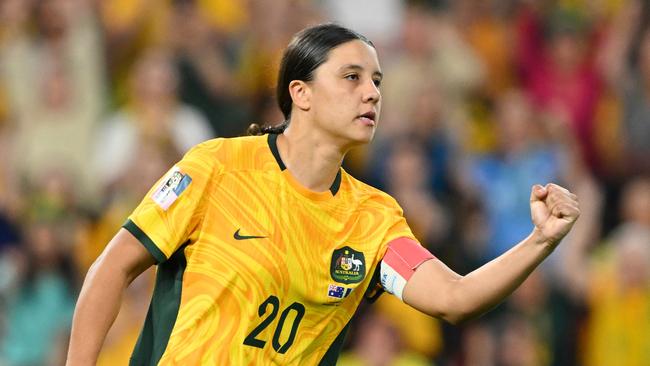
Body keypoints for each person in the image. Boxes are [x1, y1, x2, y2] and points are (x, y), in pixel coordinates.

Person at [66, 23, 580, 365]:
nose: (372, 92)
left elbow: (455, 298)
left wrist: (541, 241)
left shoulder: (374, 219)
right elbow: (111, 269)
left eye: (376, 80)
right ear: (300, 93)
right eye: (352, 77)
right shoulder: (217, 167)